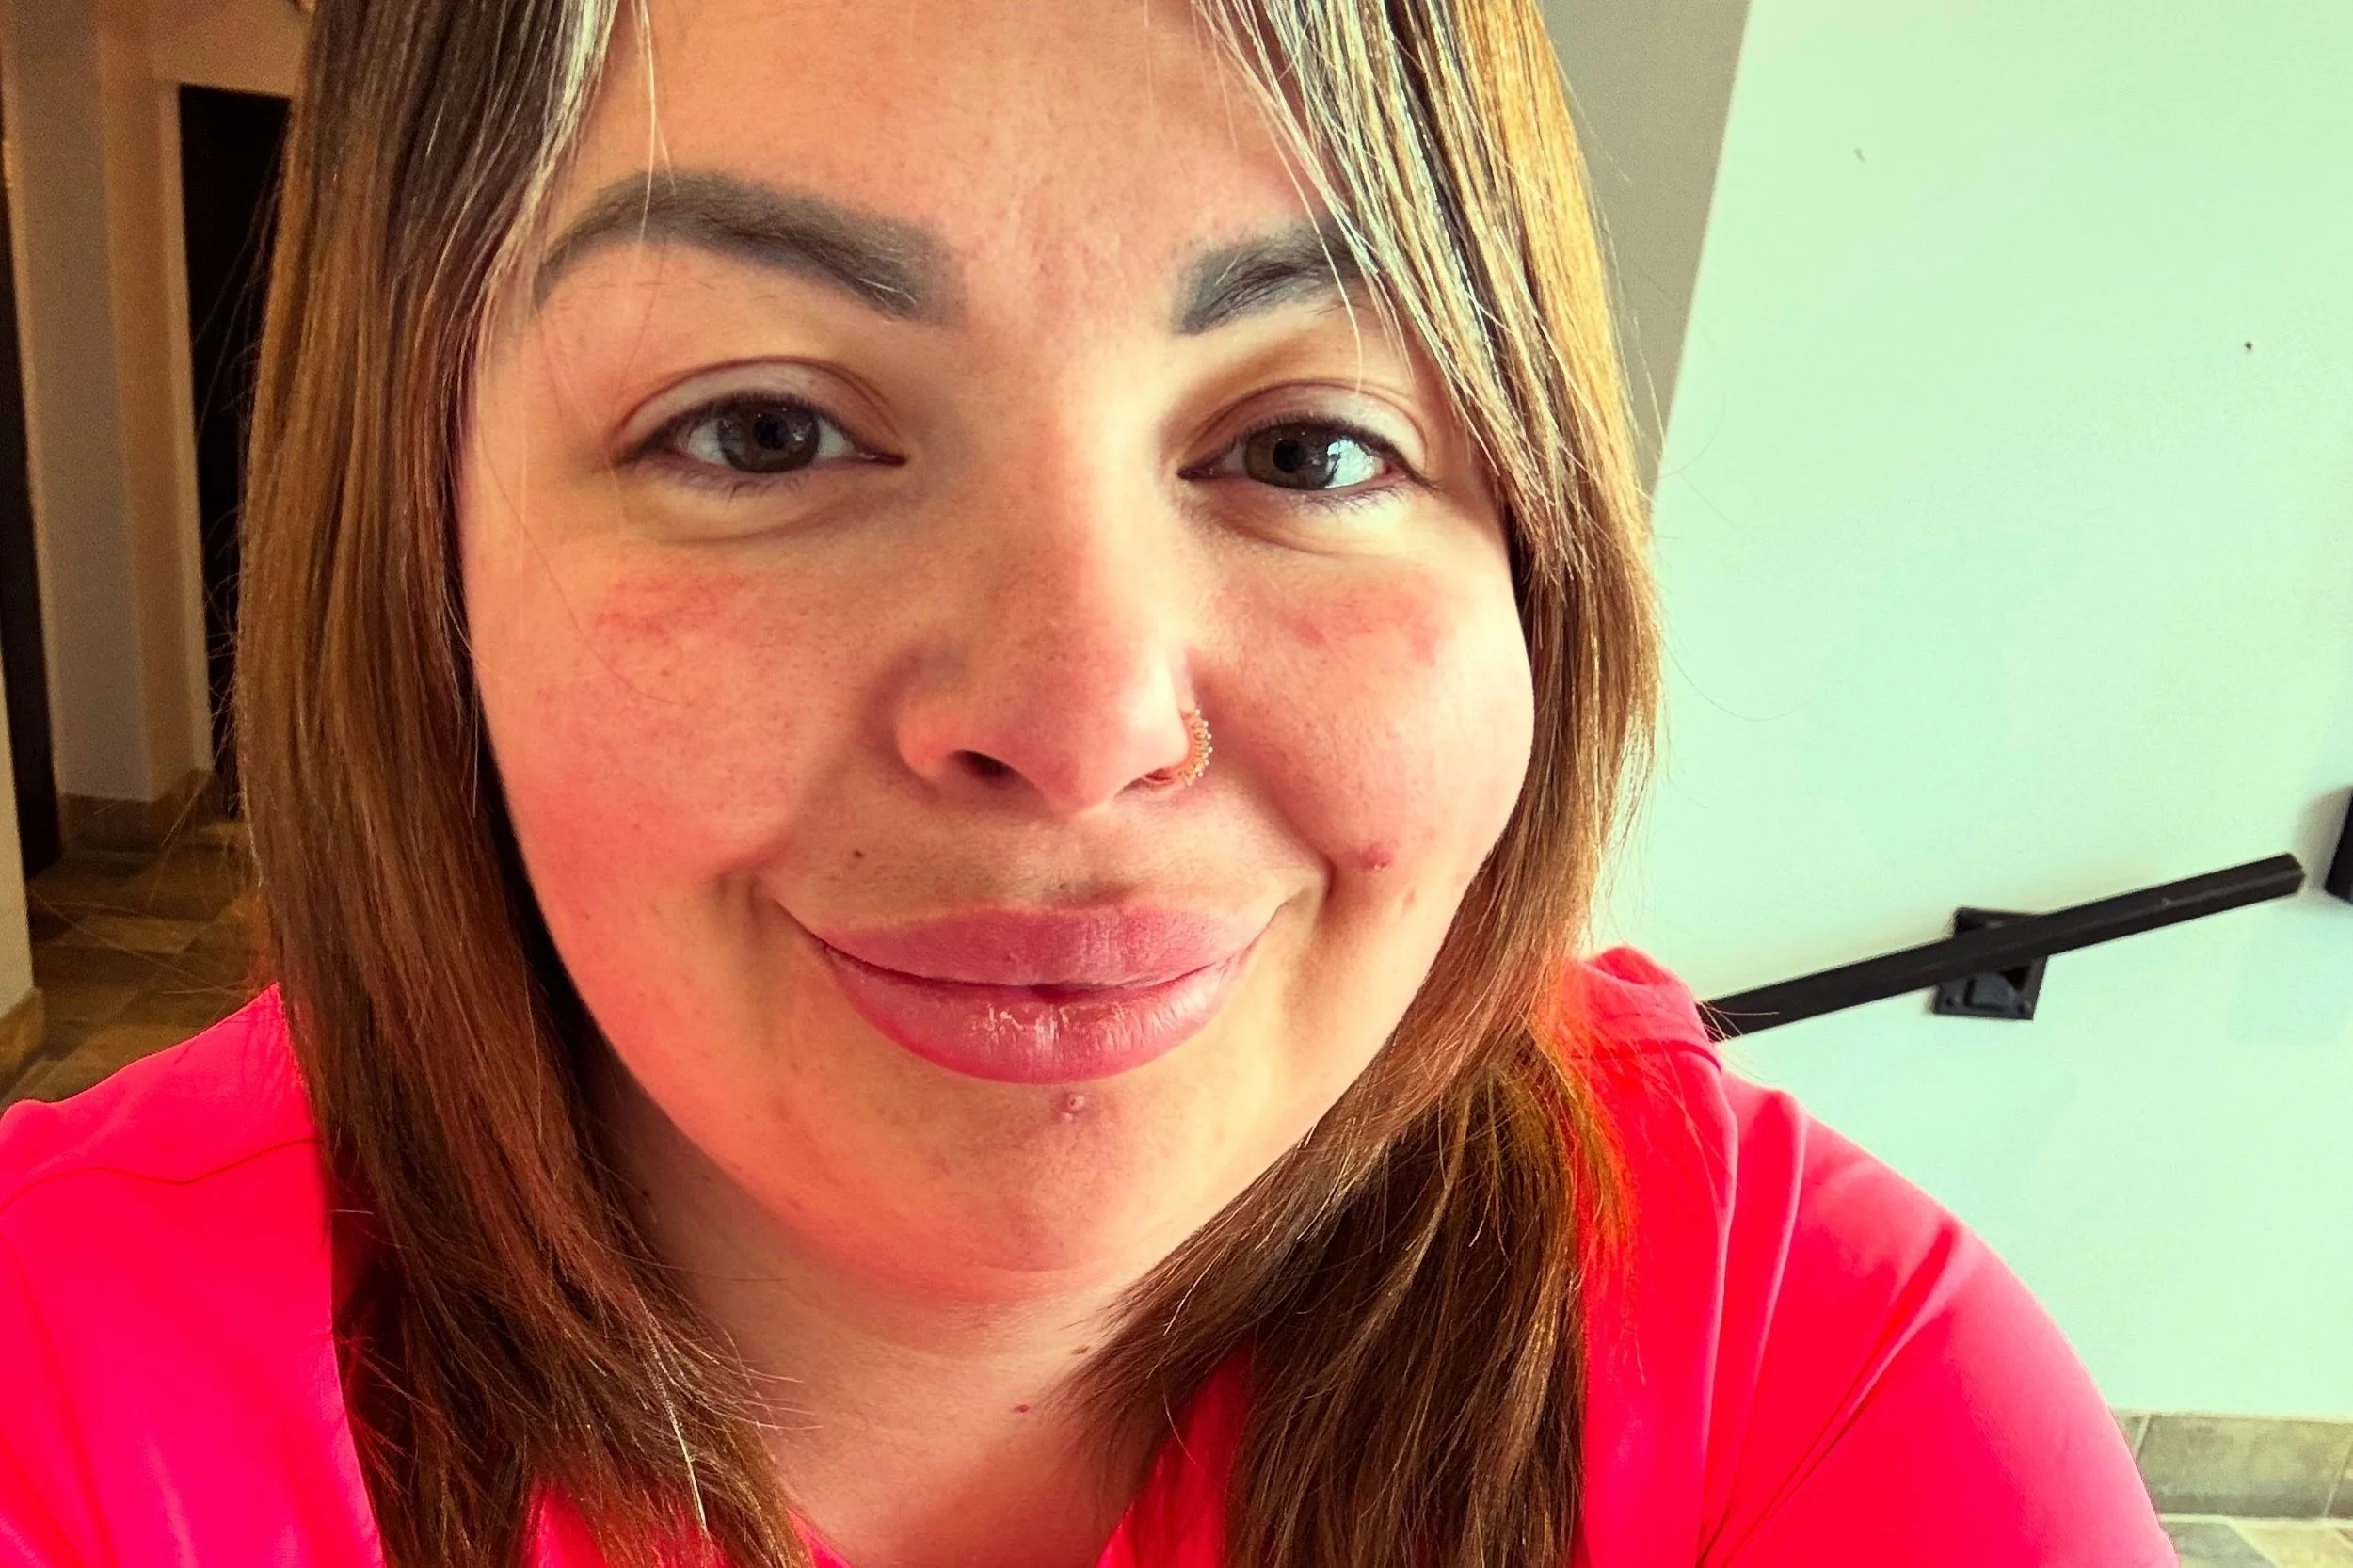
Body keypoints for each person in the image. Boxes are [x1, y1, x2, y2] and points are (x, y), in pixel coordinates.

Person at [0, 1, 2173, 1565]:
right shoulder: (60, 1406)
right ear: (419, 557)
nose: (1080, 713)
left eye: (1307, 446)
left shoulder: (1827, 1397)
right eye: (760, 429)